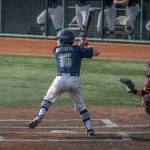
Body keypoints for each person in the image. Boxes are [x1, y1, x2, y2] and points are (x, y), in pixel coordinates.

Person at [29, 28, 100, 136]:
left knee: (48, 99)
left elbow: (69, 49)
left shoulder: (56, 50)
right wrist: (85, 46)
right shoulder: (77, 49)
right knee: (81, 106)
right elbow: (97, 52)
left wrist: (80, 47)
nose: (57, 41)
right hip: (74, 81)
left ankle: (40, 116)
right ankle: (89, 129)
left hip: (60, 80)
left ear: (63, 40)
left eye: (59, 39)